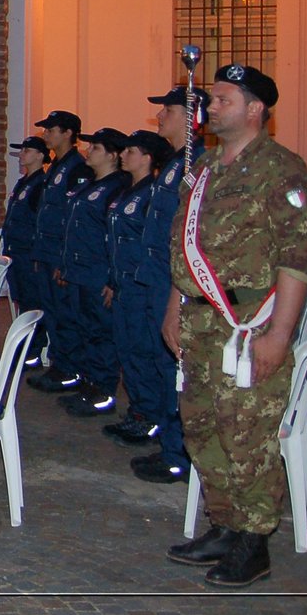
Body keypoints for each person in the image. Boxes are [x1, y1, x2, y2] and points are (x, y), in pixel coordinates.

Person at [163, 64, 307, 588]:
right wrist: (173, 307)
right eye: (212, 97)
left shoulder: (283, 171)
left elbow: (298, 257)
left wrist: (279, 335)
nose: (211, 106)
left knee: (248, 436)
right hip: (200, 324)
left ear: (255, 108)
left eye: (223, 98)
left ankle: (254, 543)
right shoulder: (206, 167)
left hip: (248, 325)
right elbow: (185, 246)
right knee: (204, 429)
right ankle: (226, 524)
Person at [129, 85, 209, 483]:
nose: (160, 117)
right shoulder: (175, 164)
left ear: (190, 117)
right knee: (160, 363)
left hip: (173, 280)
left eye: (168, 111)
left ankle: (179, 453)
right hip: (157, 274)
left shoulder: (197, 163)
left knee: (173, 366)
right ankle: (168, 442)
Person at [104, 128, 174, 446]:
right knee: (128, 350)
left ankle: (150, 416)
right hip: (123, 283)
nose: (123, 155)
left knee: (143, 352)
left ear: (147, 157)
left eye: (131, 151)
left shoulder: (151, 193)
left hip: (141, 285)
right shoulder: (128, 191)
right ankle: (139, 411)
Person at [55, 127, 130, 418]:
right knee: (83, 327)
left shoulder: (118, 186)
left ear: (113, 155)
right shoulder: (89, 183)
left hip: (97, 270)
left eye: (96, 148)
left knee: (100, 332)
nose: (89, 152)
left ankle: (103, 390)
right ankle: (88, 382)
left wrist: (111, 278)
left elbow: (112, 236)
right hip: (79, 268)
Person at [25, 110, 94, 393]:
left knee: (66, 315)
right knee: (52, 312)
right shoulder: (56, 166)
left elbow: (71, 217)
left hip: (60, 254)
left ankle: (69, 368)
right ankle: (59, 364)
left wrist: (64, 259)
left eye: (52, 130)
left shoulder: (77, 167)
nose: (46, 134)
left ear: (68, 133)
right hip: (46, 250)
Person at [1, 137, 50, 366]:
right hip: (16, 251)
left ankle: (33, 349)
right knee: (22, 299)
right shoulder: (25, 182)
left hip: (28, 252)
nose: (22, 155)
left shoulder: (41, 184)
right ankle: (27, 345)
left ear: (40, 155)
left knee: (33, 300)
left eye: (27, 151)